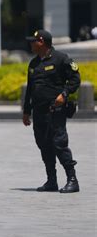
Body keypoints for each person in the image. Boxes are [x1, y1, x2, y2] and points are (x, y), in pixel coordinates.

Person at [23, 30, 81, 193]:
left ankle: (72, 179)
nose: (31, 44)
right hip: (39, 112)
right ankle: (51, 180)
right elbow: (30, 89)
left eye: (33, 41)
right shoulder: (33, 63)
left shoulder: (61, 58)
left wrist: (64, 94)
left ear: (41, 42)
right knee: (44, 145)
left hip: (55, 110)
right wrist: (26, 111)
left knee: (59, 144)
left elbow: (75, 78)